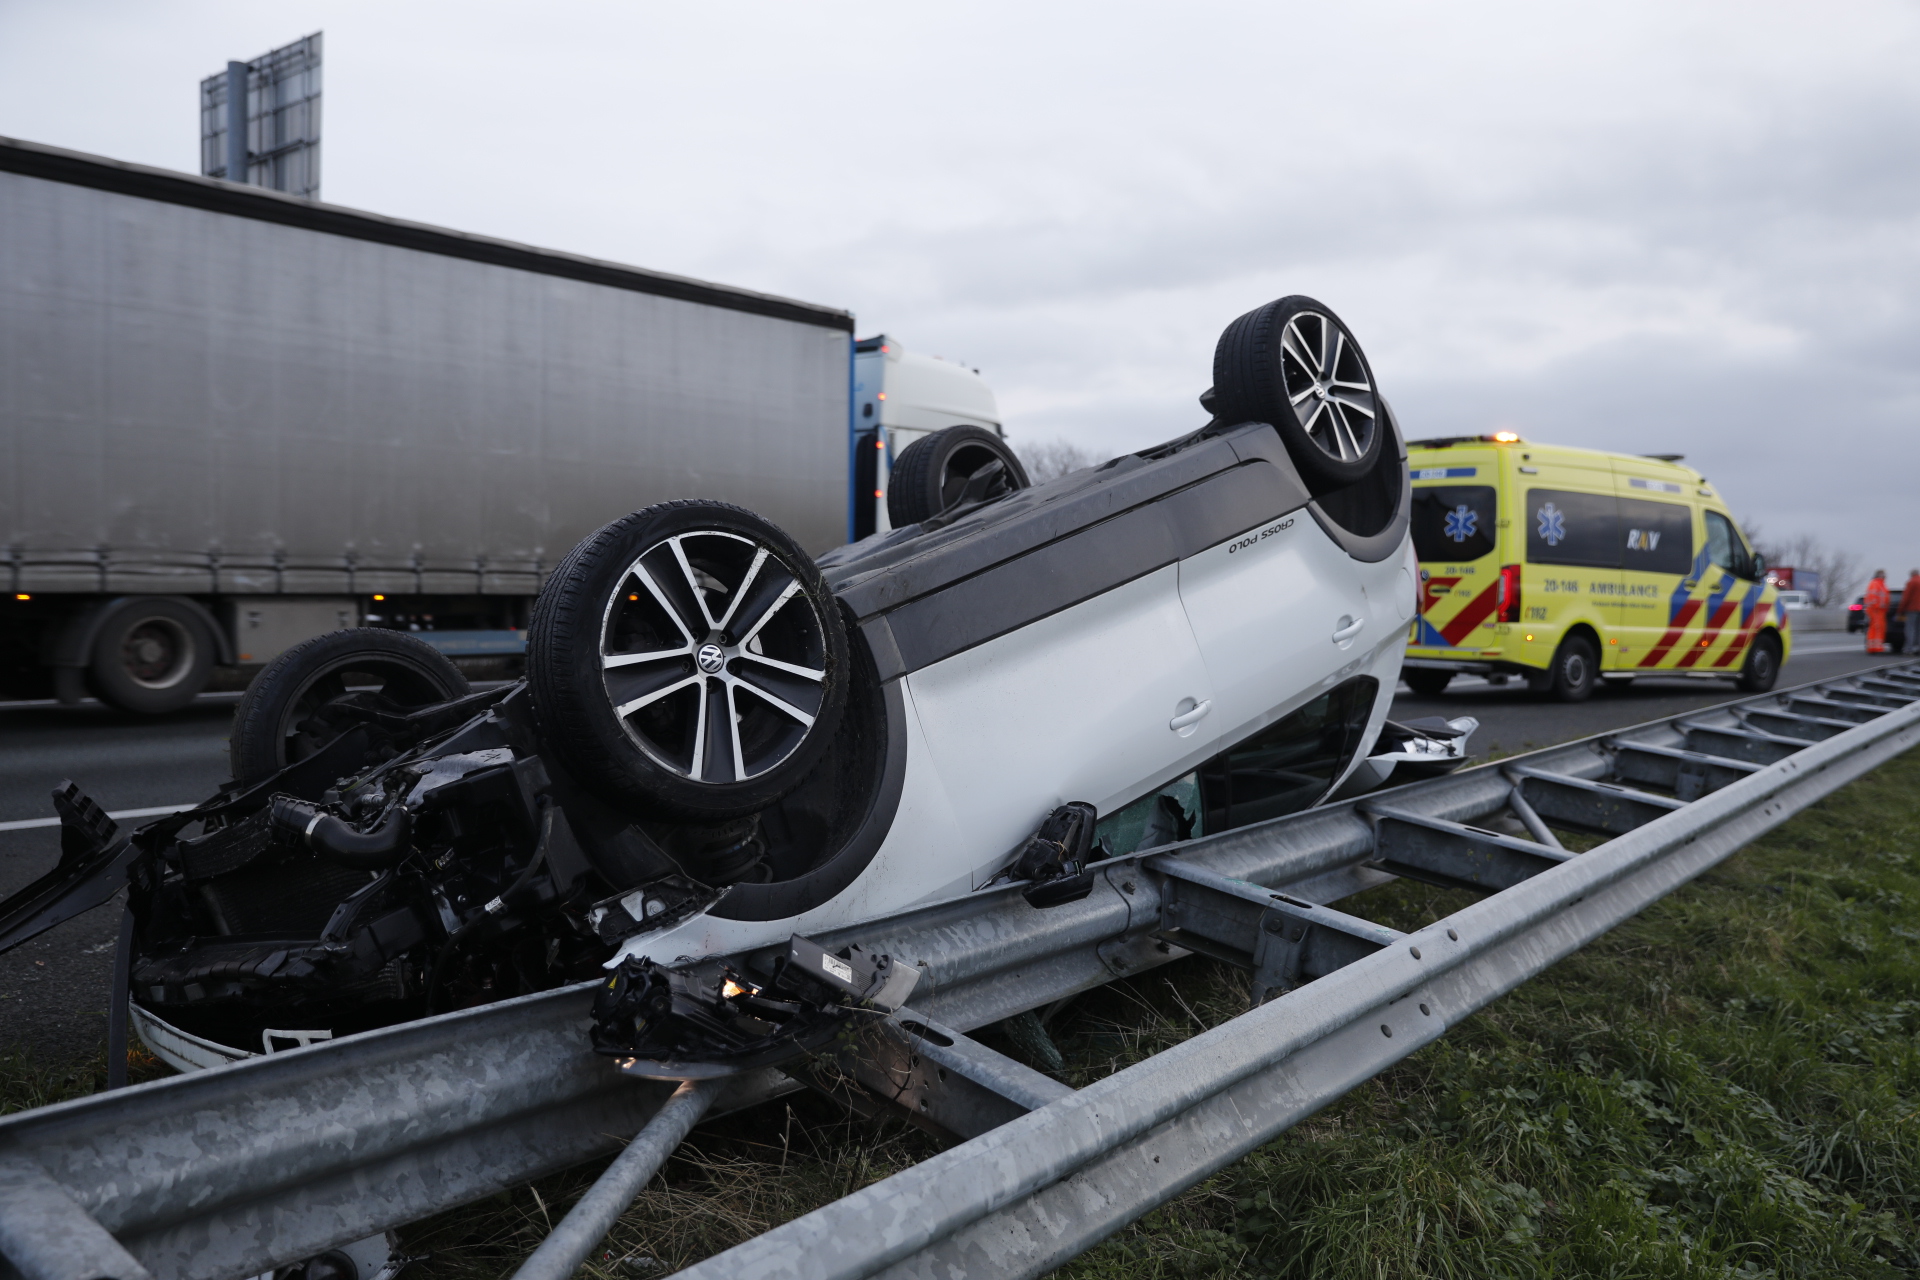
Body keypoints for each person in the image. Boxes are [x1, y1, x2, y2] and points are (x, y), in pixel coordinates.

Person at [1864, 570, 1889, 655]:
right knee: (1877, 628)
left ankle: (1875, 647)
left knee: (1878, 628)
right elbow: (1873, 597)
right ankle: (1875, 647)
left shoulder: (1880, 584)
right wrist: (1876, 607)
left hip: (1879, 610)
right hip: (1876, 610)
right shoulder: (1876, 583)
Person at [1903, 568, 1920, 654]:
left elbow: (1906, 597)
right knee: (1918, 629)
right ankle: (1917, 648)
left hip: (1912, 608)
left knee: (1910, 628)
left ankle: (1909, 648)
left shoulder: (1911, 582)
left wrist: (1901, 609)